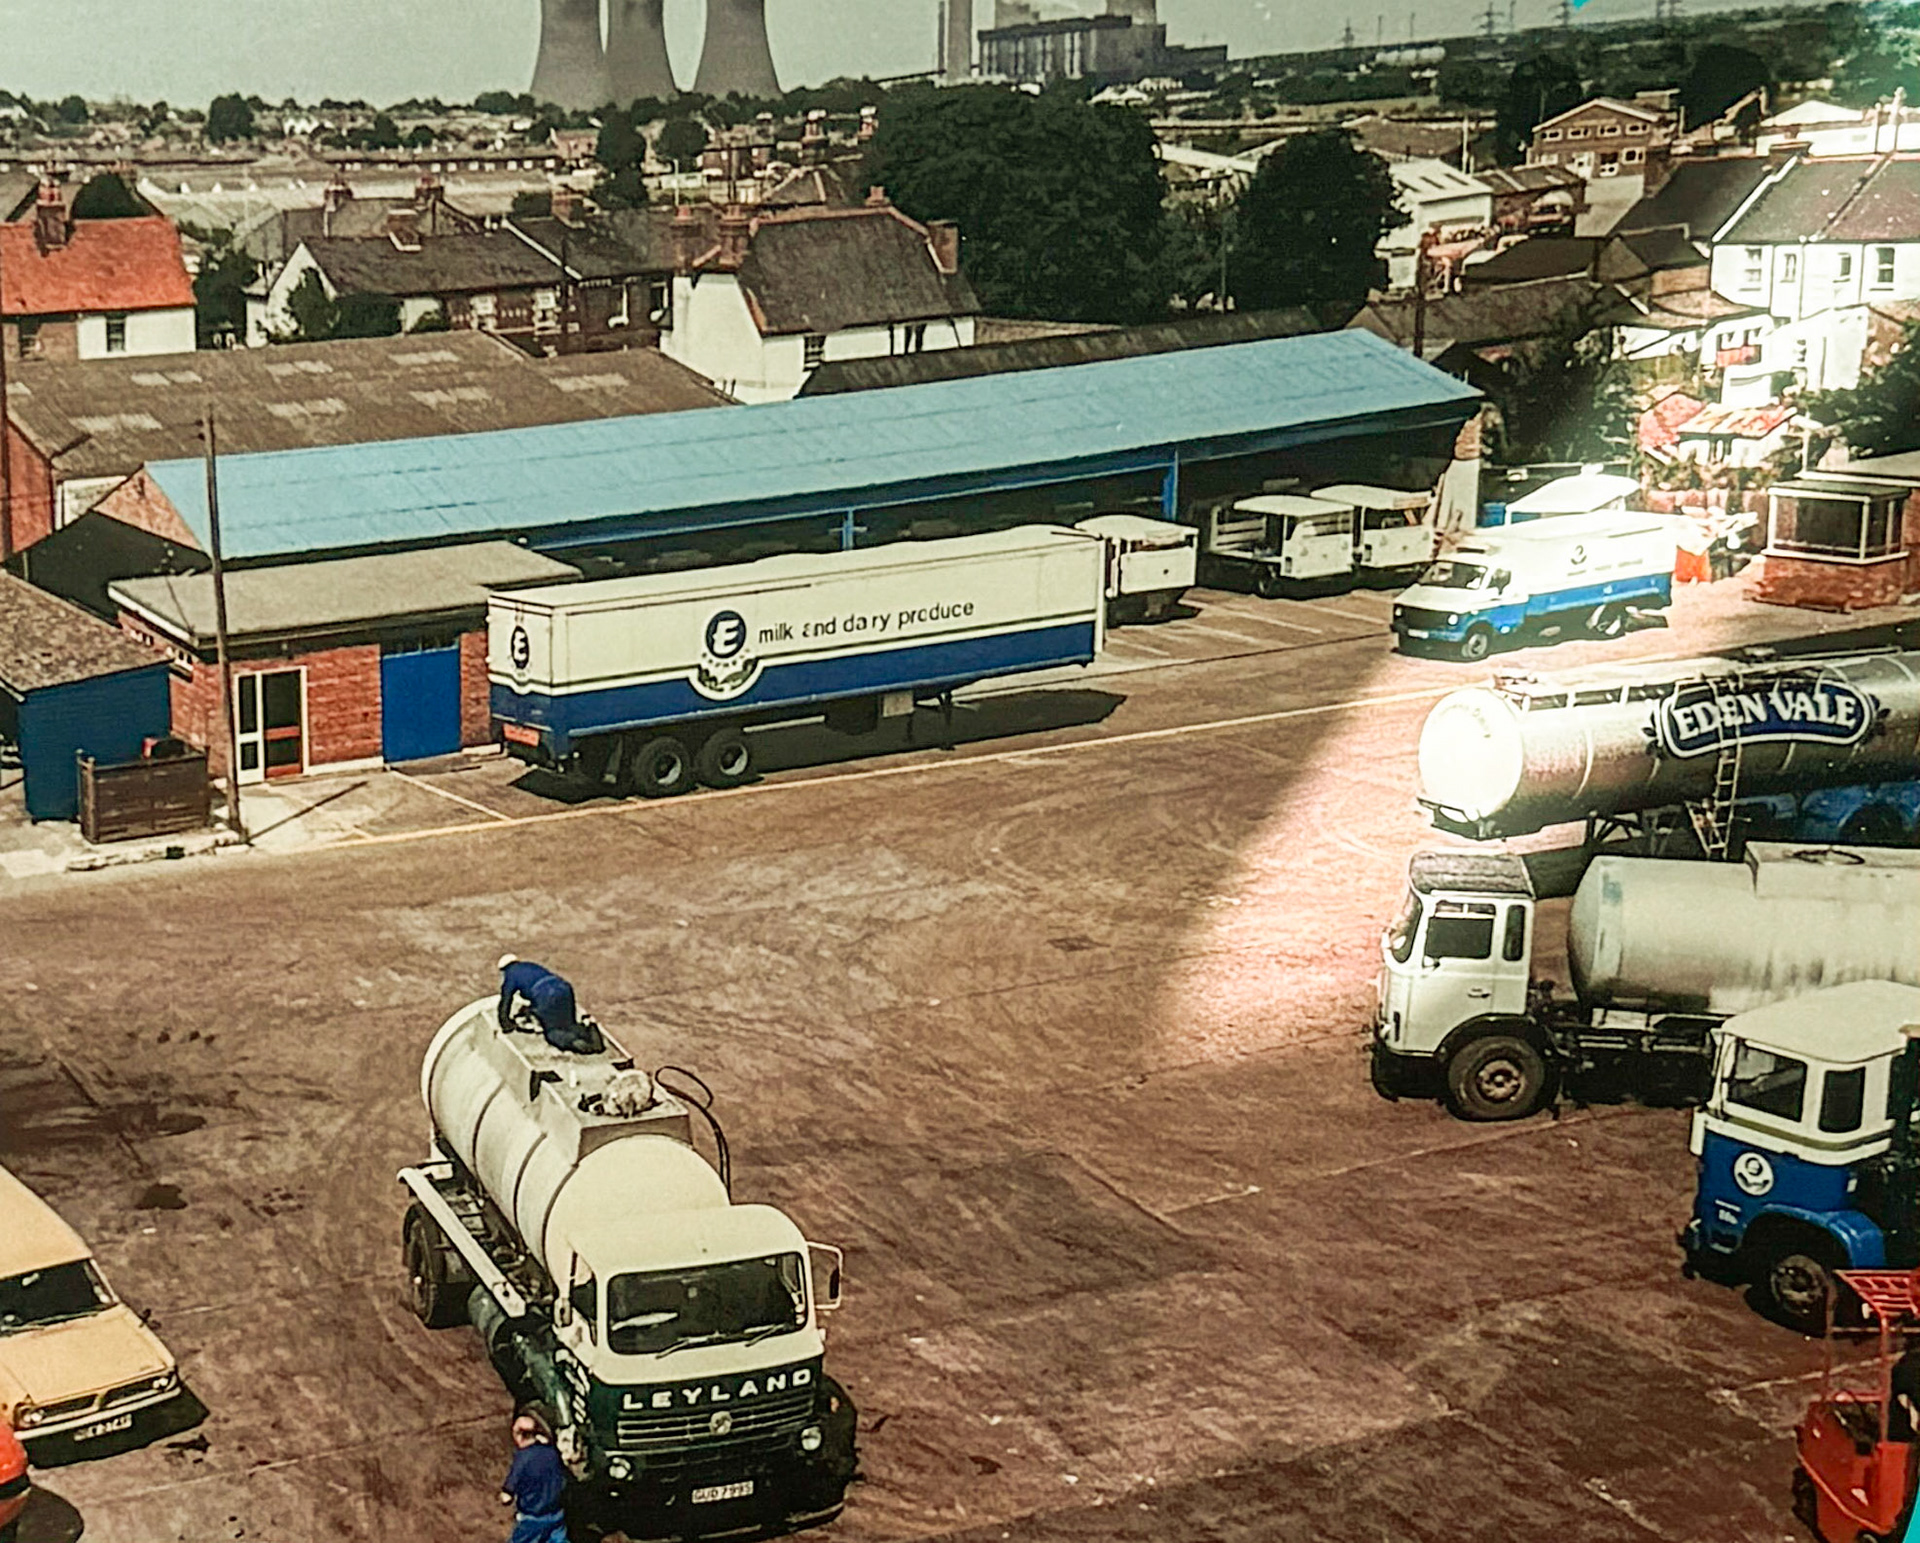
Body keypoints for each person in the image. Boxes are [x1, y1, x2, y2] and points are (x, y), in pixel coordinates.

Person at [496, 955, 602, 1054]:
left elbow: (506, 1000)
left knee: (553, 1033)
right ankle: (590, 1029)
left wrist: (505, 1023)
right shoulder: (531, 965)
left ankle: (583, 1046)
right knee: (568, 1024)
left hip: (546, 995)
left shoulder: (510, 974)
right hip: (564, 989)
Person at [499, 1410, 571, 1543]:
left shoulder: (523, 1459)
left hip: (533, 1519)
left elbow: (507, 1496)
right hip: (556, 1514)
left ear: (519, 1435)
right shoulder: (552, 1452)